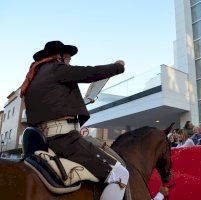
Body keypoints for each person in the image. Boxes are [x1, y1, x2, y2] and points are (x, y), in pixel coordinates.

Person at [21, 41, 128, 200]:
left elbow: (52, 105)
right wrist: (117, 67)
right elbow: (88, 72)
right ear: (59, 56)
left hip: (41, 140)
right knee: (120, 174)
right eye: (68, 60)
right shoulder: (56, 68)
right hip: (64, 139)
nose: (69, 63)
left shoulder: (33, 78)